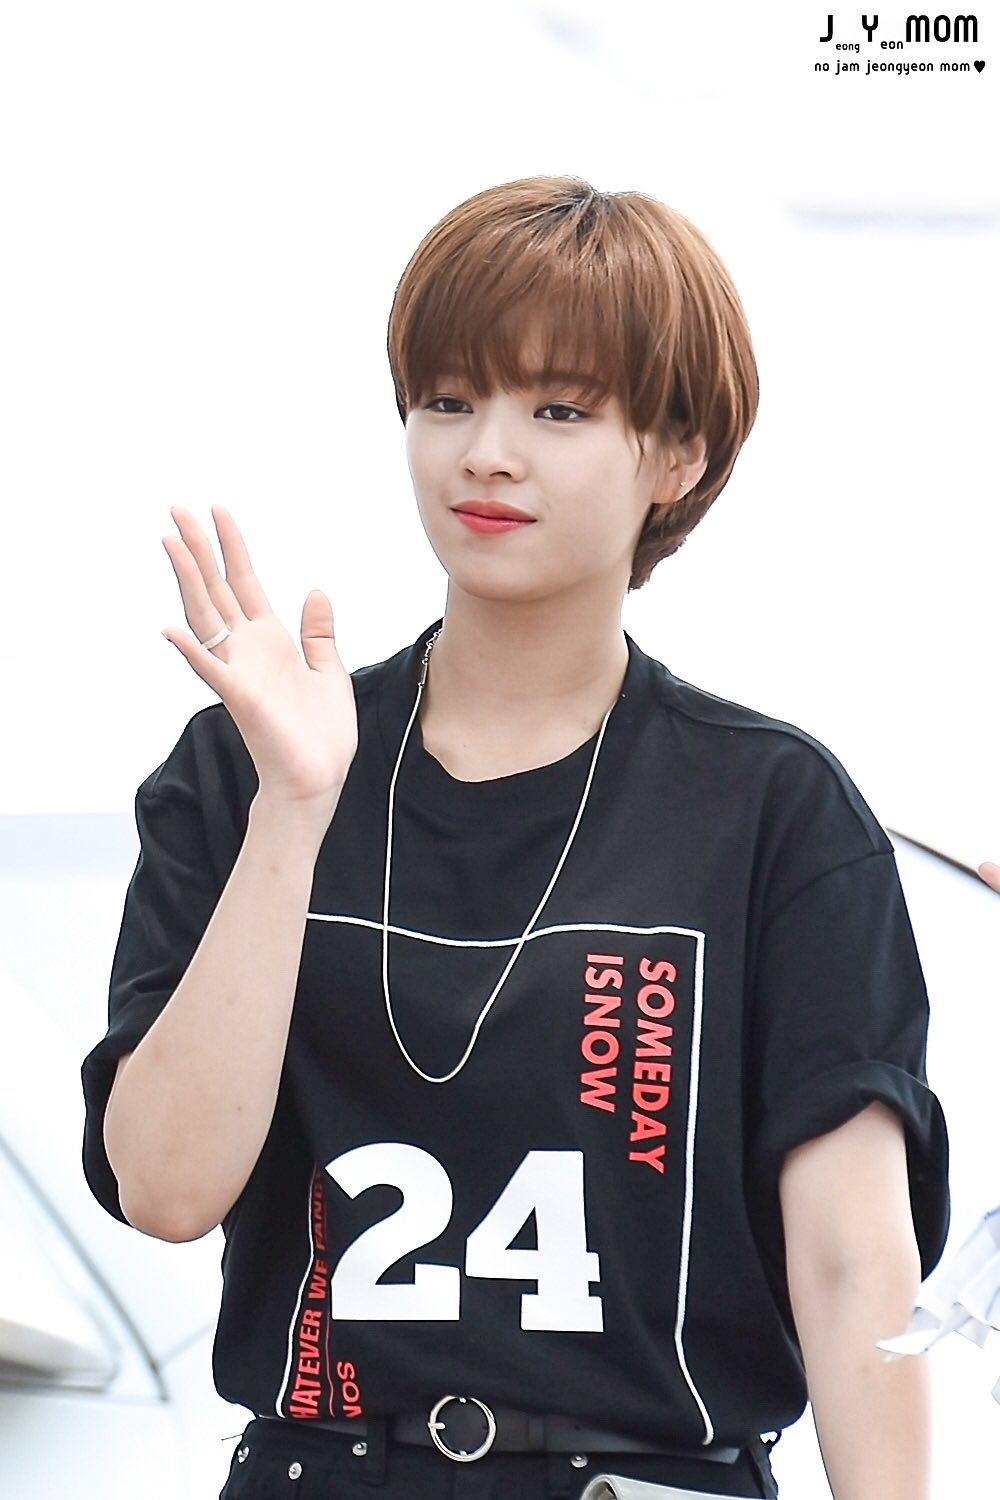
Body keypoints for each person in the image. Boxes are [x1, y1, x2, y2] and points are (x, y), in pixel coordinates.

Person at [82, 177, 949, 1500]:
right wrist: (294, 811)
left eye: (559, 410)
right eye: (447, 400)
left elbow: (849, 1268)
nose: (486, 453)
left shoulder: (773, 810)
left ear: (678, 455)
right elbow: (164, 1188)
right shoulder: (244, 768)